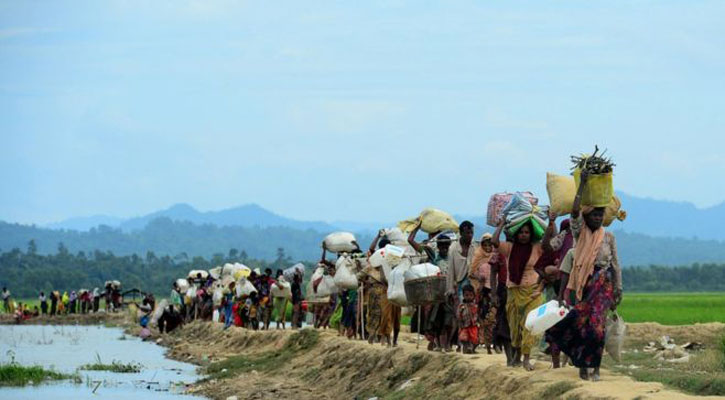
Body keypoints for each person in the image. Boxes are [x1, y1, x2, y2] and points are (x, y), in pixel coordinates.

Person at [546, 170, 623, 382]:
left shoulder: (608, 237)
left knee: (598, 329)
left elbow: (616, 265)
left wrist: (618, 290)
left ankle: (595, 368)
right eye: (594, 215)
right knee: (581, 326)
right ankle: (581, 366)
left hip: (603, 286)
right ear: (587, 217)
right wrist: (583, 185)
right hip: (584, 284)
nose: (598, 218)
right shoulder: (580, 233)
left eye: (600, 215)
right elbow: (574, 212)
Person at [493, 218, 544, 371]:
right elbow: (495, 241)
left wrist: (552, 221)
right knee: (514, 327)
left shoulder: (537, 248)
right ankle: (517, 354)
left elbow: (551, 241)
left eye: (527, 232)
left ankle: (526, 358)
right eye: (521, 232)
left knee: (530, 324)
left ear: (531, 234)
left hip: (533, 292)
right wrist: (501, 224)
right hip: (514, 291)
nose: (523, 235)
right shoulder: (509, 247)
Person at [407, 222, 454, 352]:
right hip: (436, 294)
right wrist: (417, 227)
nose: (444, 248)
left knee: (449, 320)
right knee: (435, 320)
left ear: (449, 246)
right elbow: (410, 240)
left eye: (446, 246)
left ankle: (447, 344)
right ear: (438, 247)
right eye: (441, 246)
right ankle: (437, 343)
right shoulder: (433, 256)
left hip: (449, 293)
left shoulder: (452, 257)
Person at [469, 233, 506, 354]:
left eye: (490, 245)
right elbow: (471, 273)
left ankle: (496, 344)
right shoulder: (478, 256)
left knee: (495, 319)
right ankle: (482, 344)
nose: (488, 248)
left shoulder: (498, 256)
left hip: (495, 290)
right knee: (483, 319)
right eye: (485, 245)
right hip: (484, 292)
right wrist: (480, 278)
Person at [457, 284, 479, 354]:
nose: (469, 297)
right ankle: (467, 347)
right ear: (463, 296)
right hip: (464, 326)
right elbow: (459, 316)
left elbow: (478, 314)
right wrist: (460, 325)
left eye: (470, 295)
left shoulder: (476, 305)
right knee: (463, 338)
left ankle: (472, 348)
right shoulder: (461, 306)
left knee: (475, 340)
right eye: (466, 295)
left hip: (474, 326)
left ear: (474, 296)